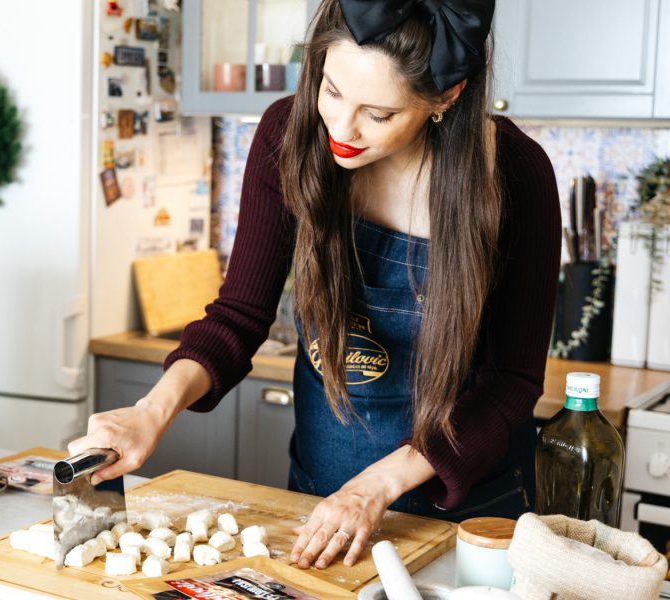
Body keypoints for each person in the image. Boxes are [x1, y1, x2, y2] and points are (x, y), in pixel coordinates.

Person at [69, 0, 561, 571]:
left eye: (377, 114)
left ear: (446, 96)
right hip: (321, 502)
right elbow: (239, 316)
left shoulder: (515, 176)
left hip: (466, 523)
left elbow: (513, 384)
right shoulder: (288, 135)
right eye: (330, 89)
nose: (341, 128)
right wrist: (151, 412)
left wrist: (376, 487)